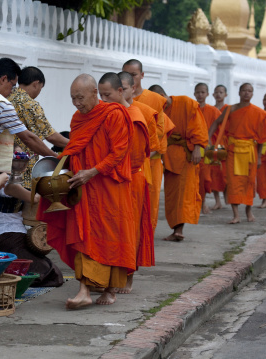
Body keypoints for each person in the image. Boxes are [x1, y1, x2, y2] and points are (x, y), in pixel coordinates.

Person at [38, 74, 136, 309]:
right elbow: (74, 148)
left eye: (80, 98)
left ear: (94, 93)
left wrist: (93, 171)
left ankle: (110, 288)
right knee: (83, 235)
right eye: (73, 99)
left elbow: (119, 152)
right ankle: (84, 289)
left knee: (108, 236)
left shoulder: (113, 114)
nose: (77, 103)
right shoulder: (77, 118)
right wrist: (58, 168)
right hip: (82, 189)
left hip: (107, 187)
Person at [98, 72, 154, 294]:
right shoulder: (108, 112)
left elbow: (137, 156)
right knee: (111, 228)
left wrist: (114, 171)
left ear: (121, 91)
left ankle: (127, 276)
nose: (104, 100)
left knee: (129, 229)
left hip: (129, 178)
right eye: (101, 95)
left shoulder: (134, 115)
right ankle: (107, 275)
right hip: (110, 179)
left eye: (107, 95)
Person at [0, 147, 64, 287]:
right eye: (20, 159)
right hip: (11, 239)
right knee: (52, 274)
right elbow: (35, 199)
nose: (24, 163)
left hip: (8, 238)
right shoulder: (10, 186)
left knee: (48, 266)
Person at [122, 59, 174, 231]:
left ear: (142, 76)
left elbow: (161, 131)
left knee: (149, 204)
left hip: (151, 161)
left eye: (134, 75)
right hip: (124, 163)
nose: (130, 78)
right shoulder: (116, 99)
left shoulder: (156, 100)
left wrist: (144, 152)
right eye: (126, 74)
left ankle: (146, 241)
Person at [151, 85, 208, 242]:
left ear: (163, 95)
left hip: (187, 156)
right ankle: (175, 228)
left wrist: (198, 148)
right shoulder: (158, 110)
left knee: (185, 195)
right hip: (169, 158)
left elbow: (199, 127)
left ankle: (179, 230)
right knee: (171, 196)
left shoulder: (185, 103)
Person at [208, 83, 266, 224]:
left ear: (252, 94)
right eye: (244, 90)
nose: (247, 93)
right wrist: (208, 141)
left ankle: (248, 210)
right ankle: (236, 214)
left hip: (250, 152)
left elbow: (262, 138)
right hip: (233, 151)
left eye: (250, 91)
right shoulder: (231, 109)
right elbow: (216, 123)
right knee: (233, 182)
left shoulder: (258, 112)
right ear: (239, 92)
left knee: (249, 182)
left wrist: (259, 157)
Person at [8, 66, 70, 189]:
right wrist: (74, 145)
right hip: (23, 171)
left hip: (2, 167)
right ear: (36, 84)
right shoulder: (30, 104)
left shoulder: (7, 97)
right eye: (40, 89)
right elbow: (50, 136)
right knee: (27, 205)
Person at [194, 83, 222, 213]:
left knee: (205, 178)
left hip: (208, 149)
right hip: (193, 148)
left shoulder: (214, 111)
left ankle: (203, 202)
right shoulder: (191, 108)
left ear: (207, 94)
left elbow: (221, 130)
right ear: (194, 94)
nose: (200, 95)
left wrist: (215, 146)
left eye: (202, 92)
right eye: (198, 92)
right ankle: (195, 203)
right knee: (193, 179)